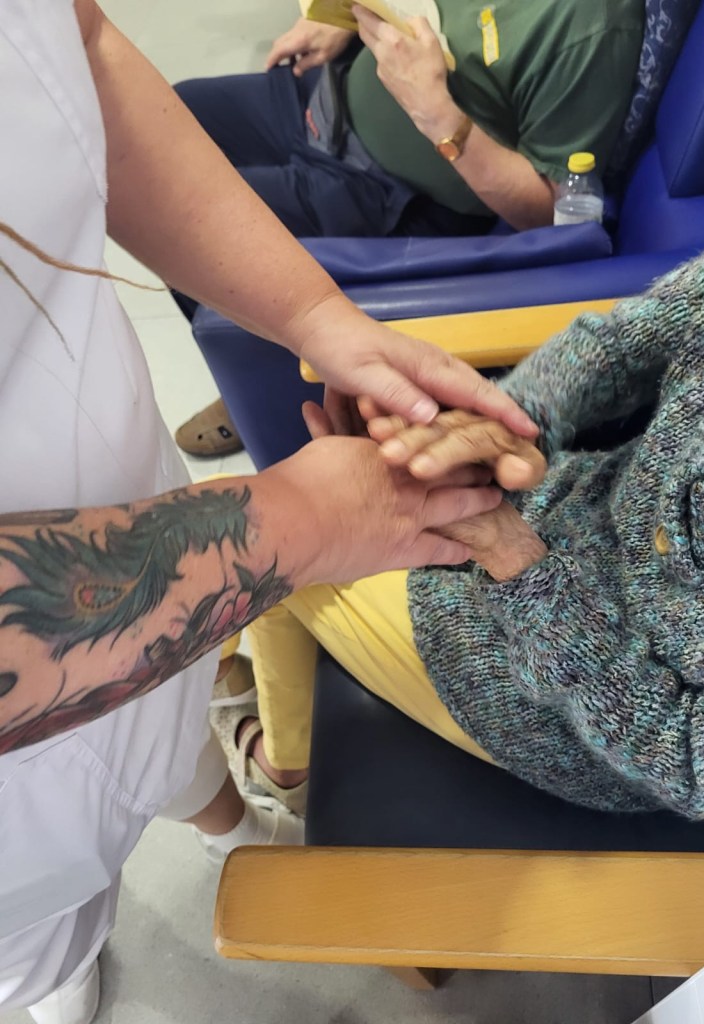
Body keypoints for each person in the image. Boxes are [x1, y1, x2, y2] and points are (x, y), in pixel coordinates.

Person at [0, 1, 537, 1020]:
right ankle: (60, 962)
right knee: (45, 939)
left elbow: (71, 47)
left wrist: (318, 316)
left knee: (179, 732)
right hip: (22, 824)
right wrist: (294, 523)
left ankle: (232, 818)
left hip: (144, 531)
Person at [227, 212, 704, 823]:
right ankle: (267, 728)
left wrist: (517, 562)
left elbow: (690, 758)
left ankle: (283, 770)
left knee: (268, 552)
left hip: (560, 702)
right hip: (556, 501)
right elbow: (630, 342)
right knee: (303, 504)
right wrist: (508, 423)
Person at [173, 0, 644, 455]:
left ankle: (257, 372)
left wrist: (437, 114)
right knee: (173, 122)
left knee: (187, 221)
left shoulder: (590, 28)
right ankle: (248, 352)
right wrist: (342, 20)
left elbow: (549, 211)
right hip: (331, 92)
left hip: (386, 191)